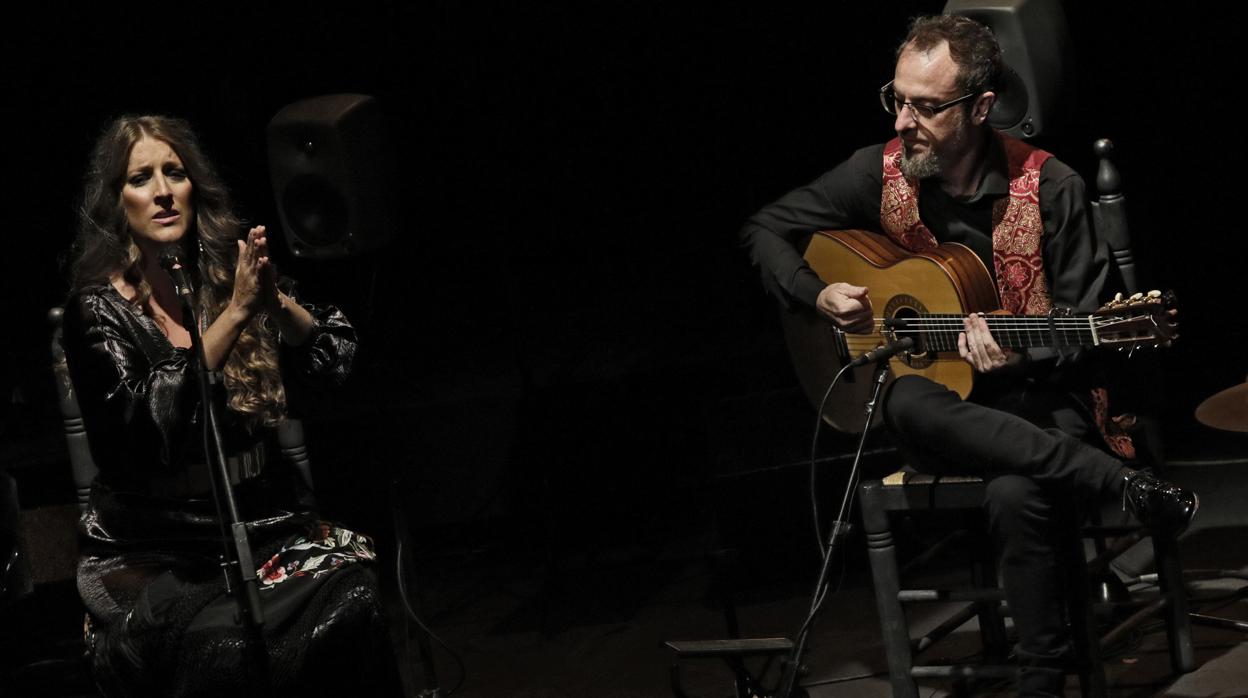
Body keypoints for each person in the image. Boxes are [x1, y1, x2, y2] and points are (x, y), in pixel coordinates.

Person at [740, 15, 1197, 697]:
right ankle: (1115, 484)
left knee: (1018, 491)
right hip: (941, 412)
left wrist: (1020, 359)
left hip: (1041, 402)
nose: (904, 121)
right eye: (896, 99)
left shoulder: (1052, 187)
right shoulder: (877, 172)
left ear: (981, 108)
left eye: (926, 107)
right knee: (898, 397)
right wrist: (819, 293)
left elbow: (1084, 332)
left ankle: (1041, 681)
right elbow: (765, 228)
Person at [62, 115, 401, 697]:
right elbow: (150, 427)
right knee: (226, 651)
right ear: (118, 203)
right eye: (141, 178)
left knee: (355, 605)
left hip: (263, 517)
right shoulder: (97, 313)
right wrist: (237, 315)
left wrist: (275, 303)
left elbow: (338, 364)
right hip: (156, 545)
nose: (164, 191)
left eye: (175, 173)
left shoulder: (228, 276)